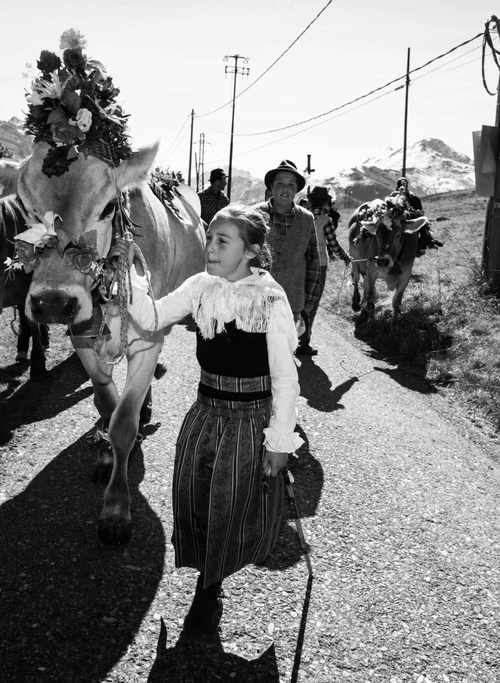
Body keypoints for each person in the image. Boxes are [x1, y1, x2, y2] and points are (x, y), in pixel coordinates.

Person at [114, 204, 302, 636]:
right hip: (204, 413)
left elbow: (286, 378)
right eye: (210, 238)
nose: (210, 248)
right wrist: (132, 276)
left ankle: (208, 588)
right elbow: (151, 317)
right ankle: (206, 572)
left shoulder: (270, 299)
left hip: (249, 420)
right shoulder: (200, 286)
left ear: (252, 251)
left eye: (223, 241)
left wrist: (278, 441)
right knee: (193, 496)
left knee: (230, 503)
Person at [253, 160, 321, 356]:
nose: (285, 189)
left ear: (297, 190)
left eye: (291, 184)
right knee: (256, 355)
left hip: (291, 300)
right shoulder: (255, 214)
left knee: (283, 356)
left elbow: (314, 261)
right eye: (280, 183)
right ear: (271, 187)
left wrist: (309, 299)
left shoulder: (307, 219)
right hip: (256, 300)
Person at [300, 186, 351, 355]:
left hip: (299, 263)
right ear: (324, 202)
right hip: (319, 264)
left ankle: (292, 338)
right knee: (312, 304)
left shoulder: (301, 215)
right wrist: (345, 257)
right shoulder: (326, 220)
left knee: (297, 300)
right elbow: (333, 245)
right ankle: (304, 342)